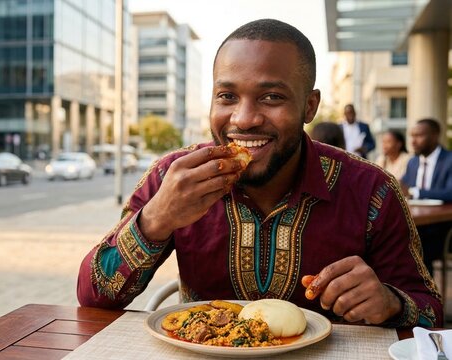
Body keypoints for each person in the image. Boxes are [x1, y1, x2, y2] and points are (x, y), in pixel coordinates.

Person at [77, 19, 441, 327]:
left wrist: (391, 301)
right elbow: (93, 296)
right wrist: (156, 218)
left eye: (271, 97)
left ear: (309, 106)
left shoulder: (372, 190)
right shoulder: (172, 178)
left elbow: (431, 310)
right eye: (227, 96)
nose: (244, 119)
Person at [401, 118, 452, 275]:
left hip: (442, 229)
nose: (413, 141)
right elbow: (403, 188)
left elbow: (450, 193)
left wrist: (415, 192)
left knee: (415, 249)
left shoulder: (449, 160)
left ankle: (425, 295)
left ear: (435, 136)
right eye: (412, 136)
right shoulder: (413, 162)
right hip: (416, 224)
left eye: (419, 136)